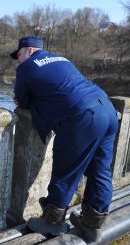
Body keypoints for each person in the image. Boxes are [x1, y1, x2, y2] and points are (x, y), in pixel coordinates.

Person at [11, 36, 118, 242]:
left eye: (19, 54)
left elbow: (21, 100)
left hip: (82, 118)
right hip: (107, 109)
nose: (18, 60)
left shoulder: (26, 67)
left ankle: (52, 222)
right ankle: (92, 225)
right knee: (100, 171)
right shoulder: (63, 59)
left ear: (30, 51)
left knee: (65, 173)